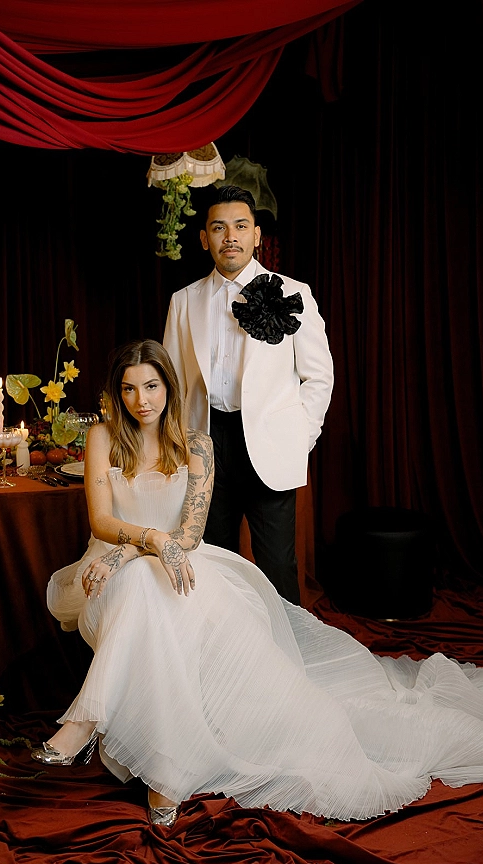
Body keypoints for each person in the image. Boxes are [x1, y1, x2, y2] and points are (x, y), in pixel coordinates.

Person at [34, 338, 483, 829]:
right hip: (106, 573)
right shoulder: (103, 437)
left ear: (168, 387)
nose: (142, 401)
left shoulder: (196, 443)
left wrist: (141, 547)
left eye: (152, 386)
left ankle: (91, 727)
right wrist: (146, 543)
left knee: (157, 601)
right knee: (139, 589)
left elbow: (190, 535)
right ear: (117, 393)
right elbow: (100, 522)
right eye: (130, 389)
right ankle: (161, 773)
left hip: (183, 568)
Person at [163, 185, 334, 605]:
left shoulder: (293, 293)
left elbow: (319, 377)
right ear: (205, 238)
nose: (230, 237)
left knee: (278, 564)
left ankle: (289, 659)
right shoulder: (183, 302)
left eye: (241, 226)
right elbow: (172, 384)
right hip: (206, 443)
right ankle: (227, 657)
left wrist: (300, 437)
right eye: (219, 228)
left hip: (270, 444)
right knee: (215, 561)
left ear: (257, 235)